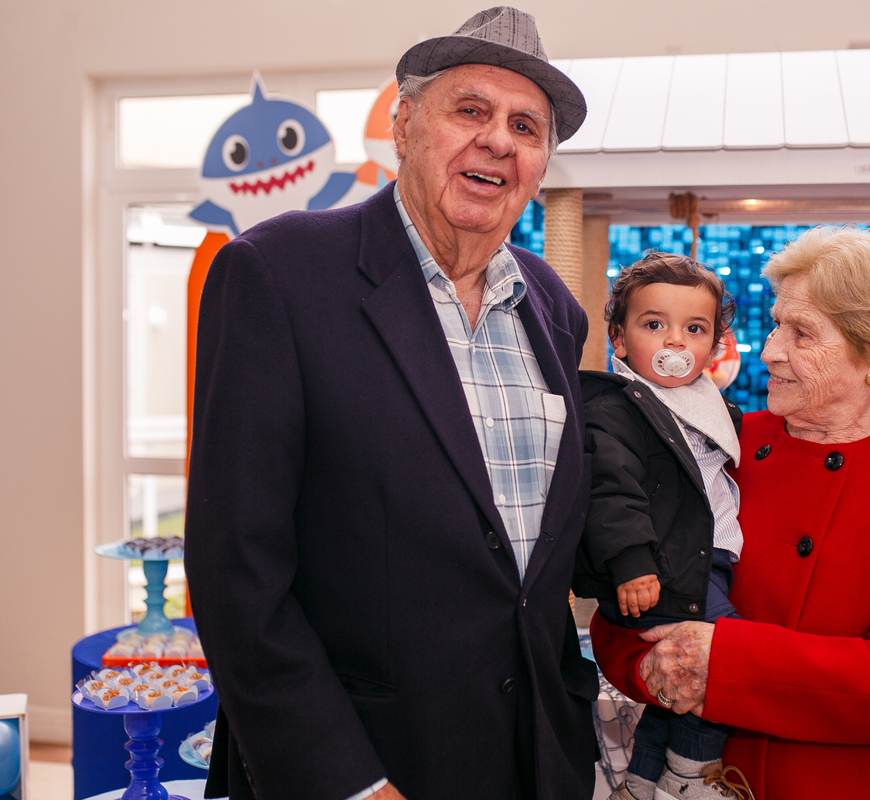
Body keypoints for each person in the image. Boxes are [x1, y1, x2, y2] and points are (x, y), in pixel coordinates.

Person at [185, 8, 596, 800]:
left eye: (526, 126)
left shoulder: (551, 302)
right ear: (405, 124)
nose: (499, 141)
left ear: (543, 162)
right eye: (470, 110)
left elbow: (534, 557)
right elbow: (238, 573)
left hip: (534, 759)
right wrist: (345, 782)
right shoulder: (278, 272)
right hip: (363, 761)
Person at [589, 227, 870, 800]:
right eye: (778, 323)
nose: (768, 350)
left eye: (801, 333)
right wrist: (651, 665)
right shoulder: (722, 441)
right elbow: (622, 610)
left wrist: (723, 663)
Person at [573, 253, 752, 800]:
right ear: (619, 340)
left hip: (703, 563)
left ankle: (642, 782)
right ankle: (690, 779)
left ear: (715, 346)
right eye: (654, 325)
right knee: (722, 669)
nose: (675, 343)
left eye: (694, 329)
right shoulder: (616, 409)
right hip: (665, 569)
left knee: (674, 689)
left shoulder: (704, 405)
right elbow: (610, 491)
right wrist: (631, 562)